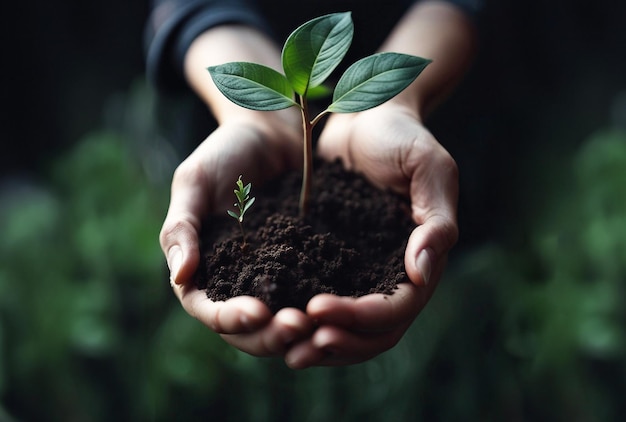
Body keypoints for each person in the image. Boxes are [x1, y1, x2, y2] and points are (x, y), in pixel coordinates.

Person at [145, 0, 479, 369]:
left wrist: (394, 104)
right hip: (222, 71)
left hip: (445, 103)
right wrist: (254, 119)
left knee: (458, 264)